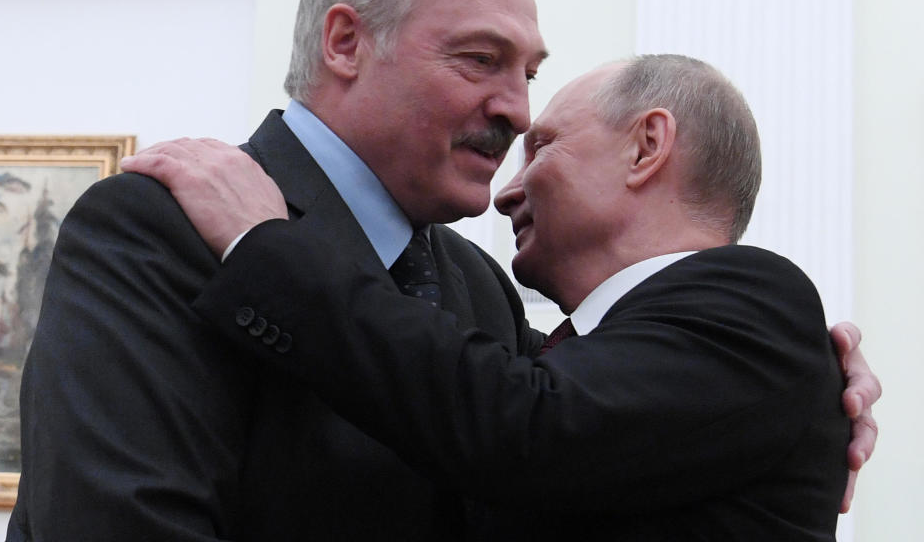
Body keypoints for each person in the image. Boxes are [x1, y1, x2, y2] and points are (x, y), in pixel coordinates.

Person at [8, 0, 878, 540]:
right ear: (345, 43)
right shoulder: (158, 227)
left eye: (532, 77)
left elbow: (547, 423)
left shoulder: (478, 289)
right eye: (480, 59)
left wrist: (813, 380)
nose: (513, 110)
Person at [128, 55, 860, 540]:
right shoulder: (585, 354)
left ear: (648, 147)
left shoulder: (758, 301)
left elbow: (518, 425)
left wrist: (265, 245)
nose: (506, 190)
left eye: (542, 147)